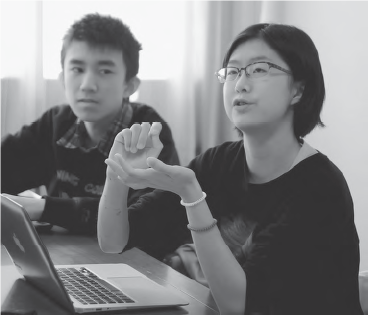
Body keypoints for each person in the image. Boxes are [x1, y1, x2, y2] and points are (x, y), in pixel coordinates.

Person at [97, 23, 363, 315]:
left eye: (259, 69)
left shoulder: (319, 189)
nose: (240, 83)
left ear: (298, 90)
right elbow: (113, 242)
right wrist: (117, 174)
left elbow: (240, 307)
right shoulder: (218, 163)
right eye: (233, 71)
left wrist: (193, 198)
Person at [0, 13, 179, 234]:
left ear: (129, 86)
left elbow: (145, 219)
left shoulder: (148, 135)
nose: (87, 85)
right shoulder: (55, 123)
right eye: (77, 69)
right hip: (65, 254)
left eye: (105, 71)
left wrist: (43, 208)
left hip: (131, 262)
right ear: (62, 79)